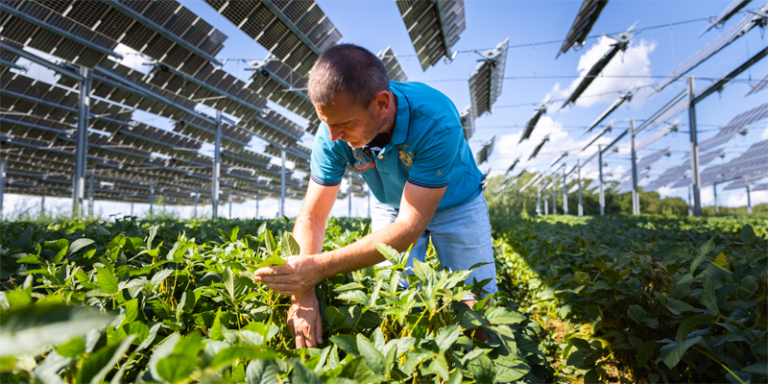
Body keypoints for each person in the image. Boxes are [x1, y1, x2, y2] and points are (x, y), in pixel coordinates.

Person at [253, 44, 497, 348]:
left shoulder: (435, 120)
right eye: (326, 123)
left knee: (476, 304)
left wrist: (319, 268)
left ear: (382, 103)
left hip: (457, 203)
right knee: (390, 298)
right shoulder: (332, 132)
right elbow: (312, 216)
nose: (333, 136)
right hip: (393, 205)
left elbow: (409, 227)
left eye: (342, 125)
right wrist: (302, 294)